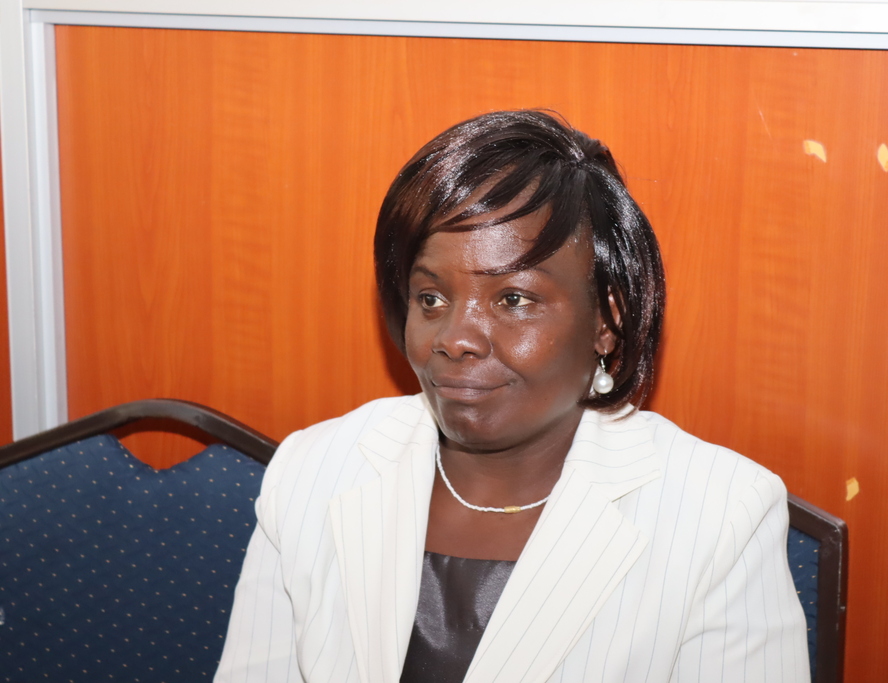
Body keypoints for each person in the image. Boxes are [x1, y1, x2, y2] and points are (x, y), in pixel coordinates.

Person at [214, 110, 810, 683]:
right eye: (431, 298)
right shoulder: (314, 470)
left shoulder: (720, 513)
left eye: (513, 299)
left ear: (606, 320)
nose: (455, 338)